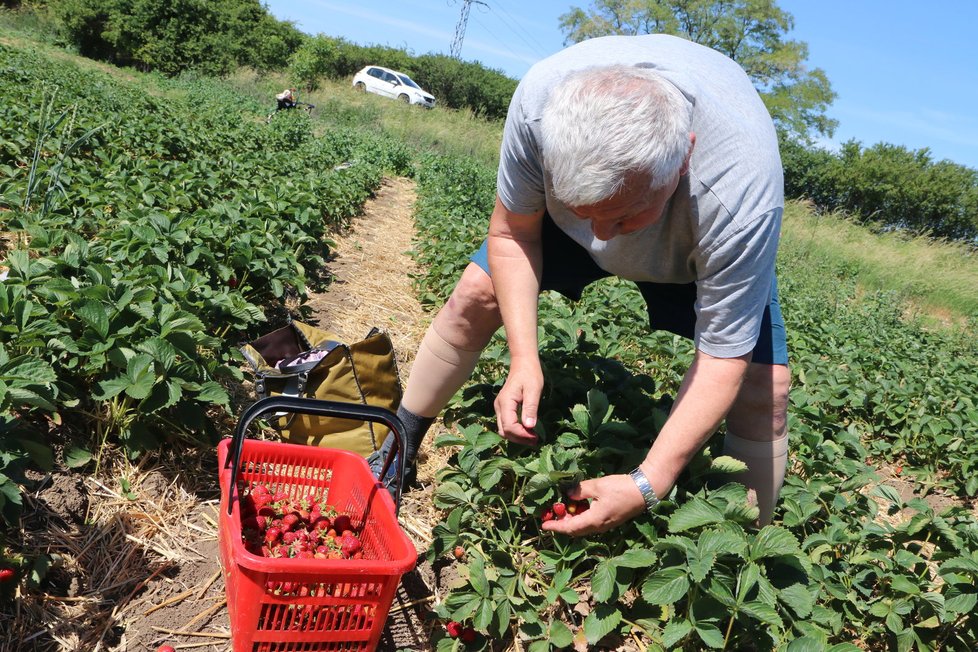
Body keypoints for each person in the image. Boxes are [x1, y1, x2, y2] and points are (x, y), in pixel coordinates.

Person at [372, 33, 790, 535]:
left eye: (623, 216)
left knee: (765, 394)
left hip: (690, 240)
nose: (601, 239)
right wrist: (523, 358)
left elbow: (724, 356)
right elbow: (511, 234)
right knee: (475, 295)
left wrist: (649, 480)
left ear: (683, 160)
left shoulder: (738, 193)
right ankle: (399, 444)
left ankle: (743, 552)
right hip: (589, 209)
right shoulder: (538, 108)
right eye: (583, 213)